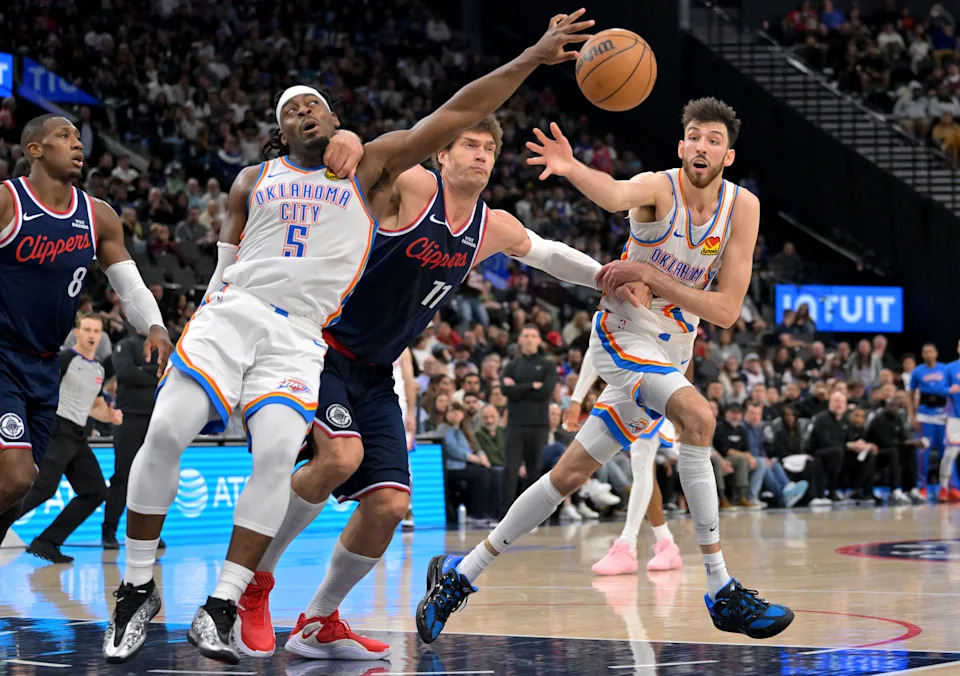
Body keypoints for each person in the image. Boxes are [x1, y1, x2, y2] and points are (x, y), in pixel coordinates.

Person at [230, 11, 604, 663]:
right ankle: (252, 582)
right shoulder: (404, 187)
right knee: (339, 460)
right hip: (319, 348)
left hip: (375, 371)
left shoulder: (490, 226)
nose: (481, 155)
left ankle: (318, 621)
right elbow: (439, 117)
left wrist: (613, 277)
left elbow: (548, 255)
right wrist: (528, 58)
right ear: (442, 151)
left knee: (388, 506)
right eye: (469, 145)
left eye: (489, 149)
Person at [416, 98, 795, 645]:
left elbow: (728, 310)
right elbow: (617, 192)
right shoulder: (659, 189)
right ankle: (721, 589)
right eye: (693, 136)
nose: (702, 146)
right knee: (698, 415)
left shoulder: (743, 208)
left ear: (727, 154)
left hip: (672, 350)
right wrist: (572, 169)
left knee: (566, 478)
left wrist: (650, 274)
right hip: (623, 333)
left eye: (714, 139)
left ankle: (460, 572)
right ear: (682, 146)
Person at [0, 115, 171, 549]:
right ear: (34, 150)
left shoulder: (98, 216)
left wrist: (154, 325)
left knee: (20, 488)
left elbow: (128, 284)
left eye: (79, 137)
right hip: (3, 356)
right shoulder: (7, 202)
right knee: (16, 475)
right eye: (64, 136)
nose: (77, 144)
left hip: (42, 368)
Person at [19, 313, 124, 562]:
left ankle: (47, 542)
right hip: (56, 428)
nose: (91, 335)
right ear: (77, 332)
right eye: (87, 329)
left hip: (77, 435)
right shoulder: (64, 358)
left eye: (96, 331)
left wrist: (111, 416)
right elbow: (41, 389)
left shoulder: (98, 369)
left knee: (96, 491)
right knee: (43, 488)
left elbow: (94, 406)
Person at [570, 351, 682, 574]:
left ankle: (627, 545)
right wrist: (576, 399)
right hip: (629, 388)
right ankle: (666, 543)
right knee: (643, 469)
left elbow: (683, 348)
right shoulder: (611, 320)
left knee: (641, 463)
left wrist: (681, 400)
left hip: (657, 383)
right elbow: (595, 349)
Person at [102, 326, 162, 549]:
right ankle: (109, 530)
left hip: (156, 419)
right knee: (123, 476)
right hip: (129, 419)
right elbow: (126, 372)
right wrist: (154, 373)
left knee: (154, 480)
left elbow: (169, 374)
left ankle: (149, 533)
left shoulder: (164, 346)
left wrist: (143, 370)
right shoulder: (125, 345)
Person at [500, 325, 557, 515]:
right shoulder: (511, 366)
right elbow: (506, 391)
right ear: (520, 340)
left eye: (534, 335)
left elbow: (546, 390)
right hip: (515, 424)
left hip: (538, 424)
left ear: (539, 340)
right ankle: (505, 514)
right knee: (510, 470)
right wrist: (532, 385)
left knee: (534, 471)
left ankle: (531, 515)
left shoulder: (547, 365)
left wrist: (519, 388)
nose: (530, 339)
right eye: (526, 335)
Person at [909, 343, 953, 499]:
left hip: (943, 416)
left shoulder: (946, 369)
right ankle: (922, 486)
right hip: (924, 416)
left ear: (936, 353)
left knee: (948, 452)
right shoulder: (917, 371)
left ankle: (950, 487)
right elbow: (911, 394)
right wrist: (912, 415)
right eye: (925, 352)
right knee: (923, 451)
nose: (928, 354)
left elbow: (951, 392)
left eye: (931, 351)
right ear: (922, 355)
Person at [939, 338, 960, 502]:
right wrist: (948, 390)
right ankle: (944, 487)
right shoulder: (950, 368)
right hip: (955, 418)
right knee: (950, 453)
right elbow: (940, 388)